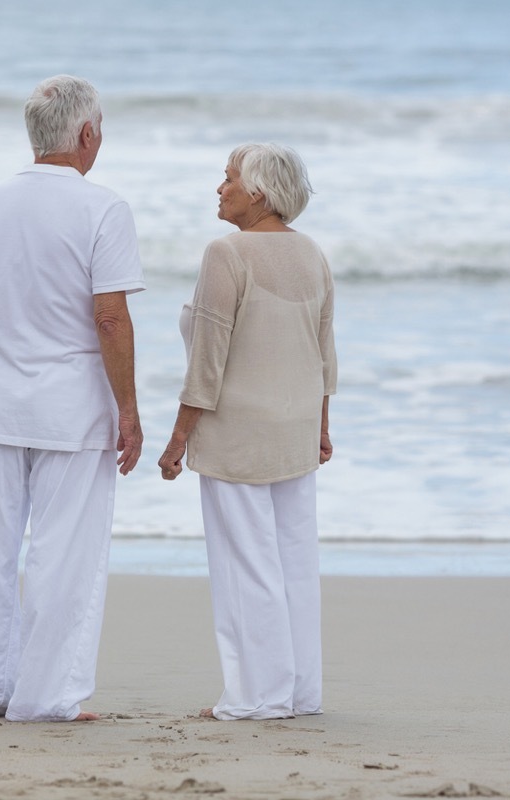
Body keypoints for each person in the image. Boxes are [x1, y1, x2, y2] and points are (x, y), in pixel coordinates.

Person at [0, 75, 145, 723]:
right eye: (101, 130)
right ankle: (45, 697)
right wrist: (130, 410)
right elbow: (110, 318)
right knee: (65, 553)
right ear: (85, 135)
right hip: (72, 409)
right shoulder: (103, 209)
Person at [158, 143, 337, 720]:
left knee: (246, 566)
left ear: (258, 192)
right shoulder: (312, 254)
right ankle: (298, 692)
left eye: (229, 177)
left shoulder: (226, 253)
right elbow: (324, 353)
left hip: (237, 431)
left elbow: (208, 358)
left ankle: (257, 696)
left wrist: (178, 438)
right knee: (293, 563)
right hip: (296, 427)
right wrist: (322, 427)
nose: (220, 187)